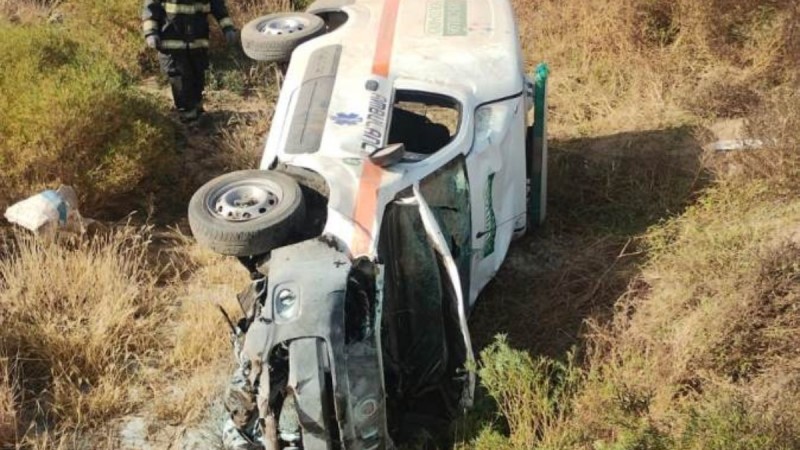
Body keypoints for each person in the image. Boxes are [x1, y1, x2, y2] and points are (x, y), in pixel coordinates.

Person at [142, 0, 238, 122]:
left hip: (197, 43)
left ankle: (197, 111)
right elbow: (151, 7)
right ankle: (188, 118)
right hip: (173, 43)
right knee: (180, 80)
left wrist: (227, 27)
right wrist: (151, 32)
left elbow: (217, 5)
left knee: (197, 78)